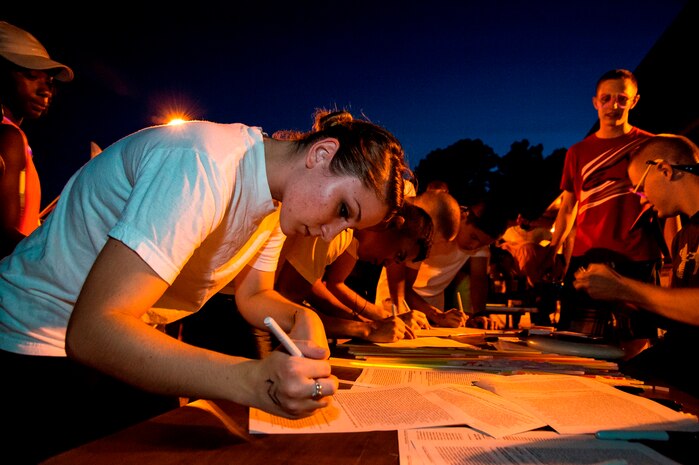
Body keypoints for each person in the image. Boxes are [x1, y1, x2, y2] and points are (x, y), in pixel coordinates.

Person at [0, 109, 409, 463]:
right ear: (322, 153)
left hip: (122, 337)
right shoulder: (203, 163)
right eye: (342, 210)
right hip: (35, 338)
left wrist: (303, 318)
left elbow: (254, 295)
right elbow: (93, 332)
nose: (328, 234)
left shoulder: (279, 200)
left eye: (348, 225)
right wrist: (253, 380)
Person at [546, 69, 667, 347]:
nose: (614, 105)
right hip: (587, 257)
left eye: (622, 99)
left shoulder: (650, 145)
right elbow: (568, 208)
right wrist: (553, 250)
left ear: (634, 101)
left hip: (637, 257)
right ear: (595, 102)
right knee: (576, 343)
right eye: (607, 98)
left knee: (638, 346)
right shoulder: (577, 152)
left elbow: (667, 204)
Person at [573, 134, 699, 396]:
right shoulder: (684, 237)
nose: (641, 199)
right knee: (579, 384)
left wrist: (625, 289)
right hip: (677, 358)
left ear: (664, 170)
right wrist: (623, 302)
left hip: (690, 371)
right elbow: (683, 314)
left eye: (640, 188)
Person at [276, 200, 433, 342]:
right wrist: (363, 328)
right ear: (396, 223)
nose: (388, 264)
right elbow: (289, 290)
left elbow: (308, 281)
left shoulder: (348, 236)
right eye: (398, 255)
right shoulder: (336, 226)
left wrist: (368, 323)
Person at [375, 189, 508, 329]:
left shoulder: (474, 243)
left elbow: (479, 281)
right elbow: (401, 285)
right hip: (396, 300)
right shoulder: (434, 223)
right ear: (463, 217)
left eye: (481, 244)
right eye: (473, 237)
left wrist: (477, 316)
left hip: (433, 308)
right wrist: (434, 315)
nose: (473, 246)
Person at [0, 21, 73, 258]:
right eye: (32, 76)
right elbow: (4, 235)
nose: (46, 91)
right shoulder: (9, 136)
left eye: (49, 82)